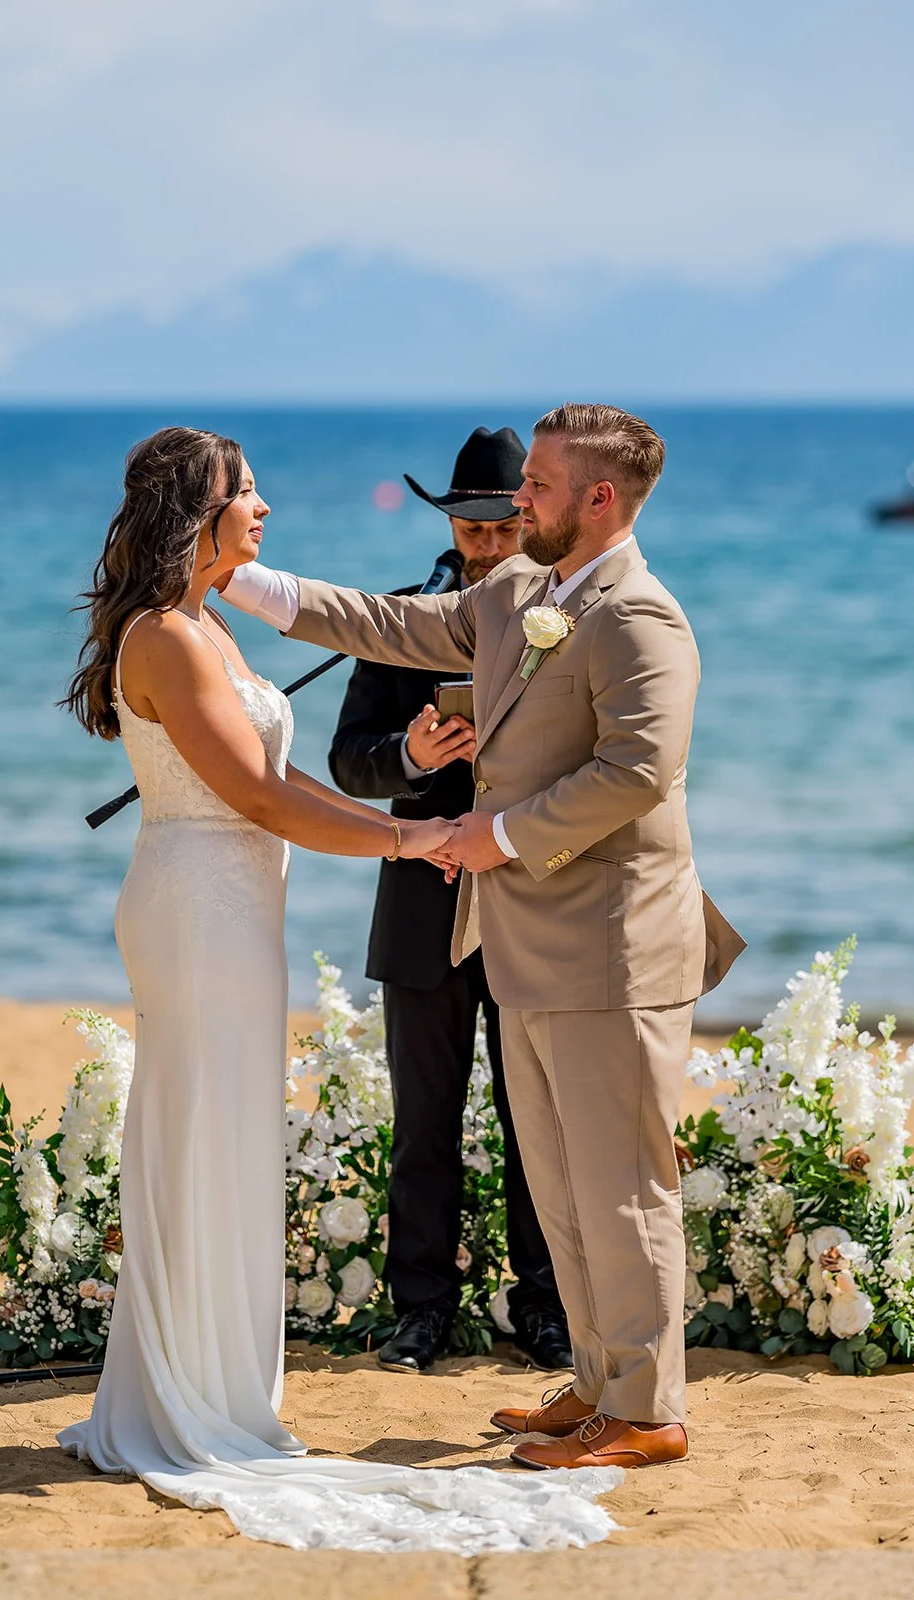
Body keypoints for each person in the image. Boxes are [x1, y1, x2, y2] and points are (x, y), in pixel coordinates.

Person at [57, 425, 621, 1552]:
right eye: (245, 493)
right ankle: (183, 1397)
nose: (263, 508)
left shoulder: (204, 623)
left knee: (226, 1132)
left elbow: (278, 781)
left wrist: (413, 820)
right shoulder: (166, 636)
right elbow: (265, 798)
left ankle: (209, 1379)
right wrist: (412, 839)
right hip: (200, 904)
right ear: (195, 511)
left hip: (231, 906)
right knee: (201, 1126)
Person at [223, 403, 746, 1472]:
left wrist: (491, 832)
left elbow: (635, 773)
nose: (517, 503)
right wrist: (228, 578)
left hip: (610, 945)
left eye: (539, 486)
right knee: (559, 1179)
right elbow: (380, 623)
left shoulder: (640, 616)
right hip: (526, 943)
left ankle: (646, 1407)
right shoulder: (515, 593)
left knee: (620, 1181)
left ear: (599, 499)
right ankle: (598, 1382)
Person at [328, 427, 570, 1374]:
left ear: (528, 517)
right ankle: (420, 1312)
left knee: (536, 1121)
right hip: (423, 907)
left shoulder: (566, 613)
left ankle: (543, 1305)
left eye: (499, 524)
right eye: (467, 526)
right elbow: (350, 761)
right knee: (423, 1123)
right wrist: (410, 761)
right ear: (448, 523)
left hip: (529, 904)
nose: (483, 544)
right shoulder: (396, 620)